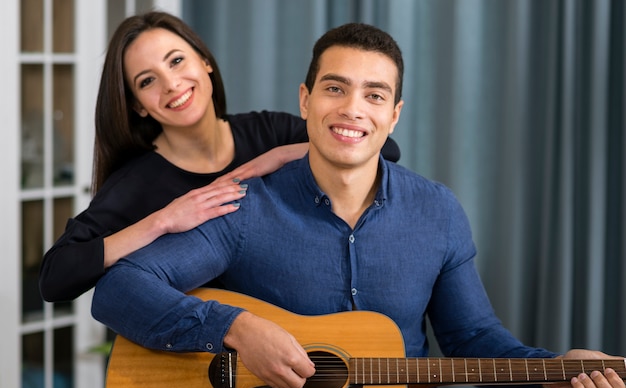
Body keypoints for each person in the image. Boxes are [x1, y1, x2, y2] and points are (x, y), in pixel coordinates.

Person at [91, 23, 625, 388]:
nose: (352, 109)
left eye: (374, 95)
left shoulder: (437, 211)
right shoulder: (244, 208)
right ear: (305, 101)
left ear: (393, 115)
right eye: (334, 88)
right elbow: (117, 291)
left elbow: (472, 337)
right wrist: (235, 329)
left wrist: (552, 371)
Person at [38, 12, 400, 303]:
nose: (171, 84)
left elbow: (384, 149)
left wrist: (275, 156)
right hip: (198, 361)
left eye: (177, 61)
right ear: (138, 106)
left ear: (205, 61)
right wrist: (162, 221)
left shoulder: (268, 134)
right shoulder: (136, 184)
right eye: (148, 81)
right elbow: (55, 278)